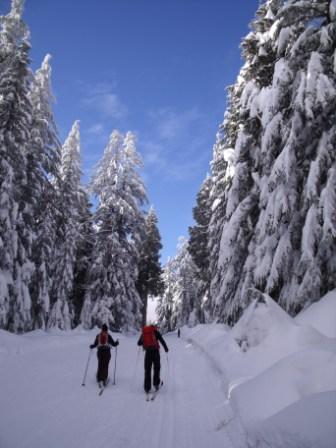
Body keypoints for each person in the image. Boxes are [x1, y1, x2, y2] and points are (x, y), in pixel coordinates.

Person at [137, 324, 168, 394]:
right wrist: (166, 348)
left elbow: (138, 343)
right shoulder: (156, 332)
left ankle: (147, 388)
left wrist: (145, 343)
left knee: (147, 369)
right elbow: (162, 340)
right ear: (154, 327)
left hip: (148, 353)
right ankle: (156, 384)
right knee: (157, 368)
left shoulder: (144, 333)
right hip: (155, 352)